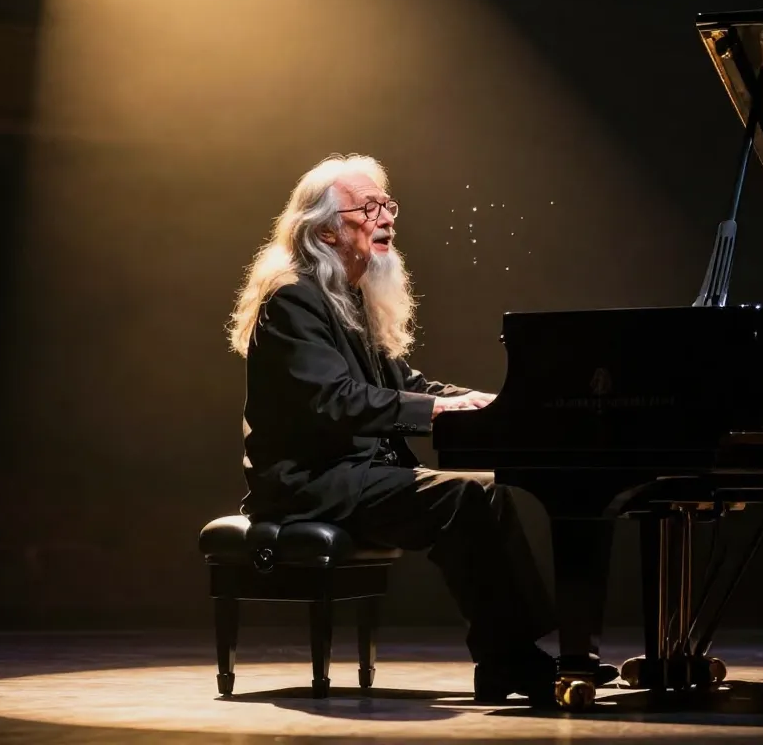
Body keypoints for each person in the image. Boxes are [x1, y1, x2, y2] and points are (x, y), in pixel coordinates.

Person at [226, 154, 619, 703]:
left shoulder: (348, 295)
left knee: (487, 490)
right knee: (468, 495)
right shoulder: (294, 297)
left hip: (352, 473)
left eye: (388, 204)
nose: (387, 217)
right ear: (326, 229)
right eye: (369, 208)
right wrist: (437, 410)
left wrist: (487, 404)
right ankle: (509, 660)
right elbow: (333, 399)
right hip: (309, 482)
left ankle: (508, 658)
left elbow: (406, 383)